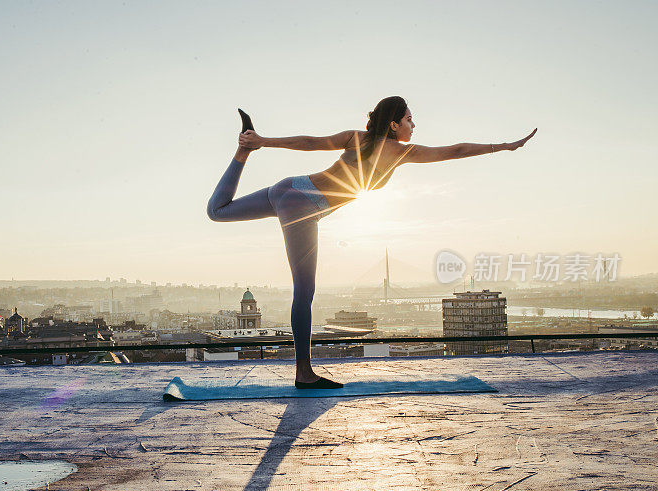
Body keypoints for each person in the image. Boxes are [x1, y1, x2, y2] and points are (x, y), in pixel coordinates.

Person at [207, 96, 537, 388]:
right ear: (394, 124)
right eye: (409, 119)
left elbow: (311, 142)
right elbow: (456, 150)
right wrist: (505, 146)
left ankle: (242, 151)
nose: (414, 124)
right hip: (304, 206)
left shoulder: (360, 139)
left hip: (288, 187)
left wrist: (260, 141)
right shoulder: (400, 152)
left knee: (217, 211)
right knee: (304, 293)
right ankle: (304, 373)